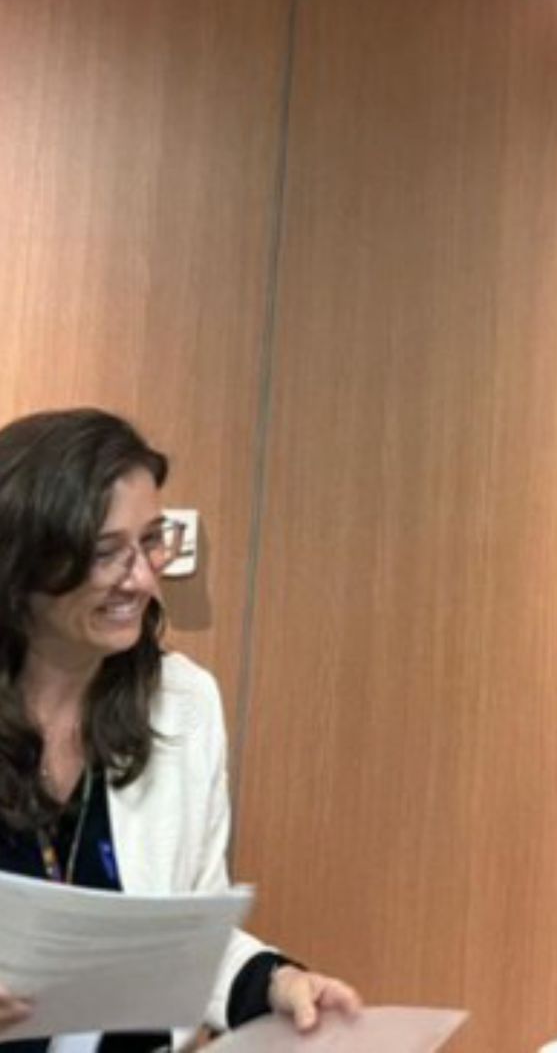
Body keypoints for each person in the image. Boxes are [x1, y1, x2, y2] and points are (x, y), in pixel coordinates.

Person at [0, 408, 362, 1050]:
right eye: (107, 553)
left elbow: (187, 937)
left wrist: (273, 983)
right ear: (22, 564)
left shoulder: (182, 704)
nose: (141, 578)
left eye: (153, 541)